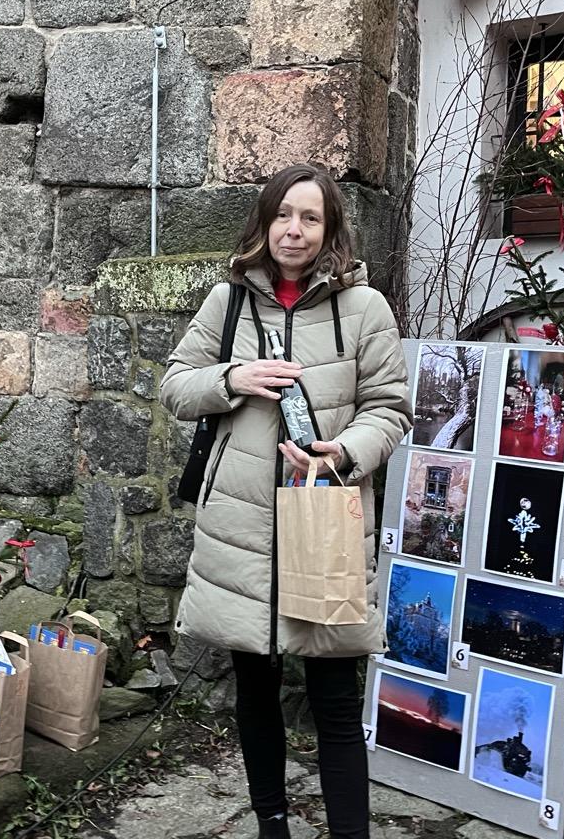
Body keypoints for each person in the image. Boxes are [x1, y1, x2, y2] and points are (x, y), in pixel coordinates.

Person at [160, 163, 411, 839]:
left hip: (325, 521)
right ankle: (272, 825)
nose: (293, 230)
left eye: (310, 218)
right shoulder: (228, 302)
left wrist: (343, 453)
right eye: (282, 215)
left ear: (330, 230)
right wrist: (232, 377)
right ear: (264, 222)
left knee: (334, 701)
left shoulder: (365, 310)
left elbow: (390, 410)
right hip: (242, 524)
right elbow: (176, 387)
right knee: (256, 692)